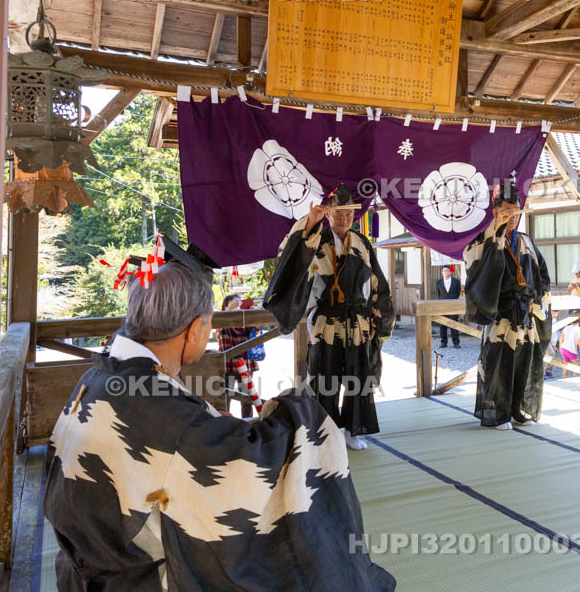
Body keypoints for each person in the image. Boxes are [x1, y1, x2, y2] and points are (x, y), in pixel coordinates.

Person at [43, 243, 394, 591]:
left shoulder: (98, 377)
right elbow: (247, 471)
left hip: (90, 568)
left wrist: (213, 424)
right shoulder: (164, 410)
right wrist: (294, 409)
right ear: (195, 330)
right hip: (139, 578)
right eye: (209, 322)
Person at [264, 185, 395, 451]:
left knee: (359, 377)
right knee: (324, 377)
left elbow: (376, 283)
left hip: (357, 321)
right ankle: (324, 433)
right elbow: (290, 255)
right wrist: (310, 223)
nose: (344, 218)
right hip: (326, 321)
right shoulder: (316, 240)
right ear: (328, 213)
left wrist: (377, 318)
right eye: (339, 212)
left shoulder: (362, 243)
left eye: (349, 213)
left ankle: (353, 431)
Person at [464, 180, 551, 430]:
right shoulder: (486, 239)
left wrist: (537, 298)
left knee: (525, 362)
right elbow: (473, 265)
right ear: (495, 212)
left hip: (525, 313)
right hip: (500, 314)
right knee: (498, 362)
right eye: (506, 211)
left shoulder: (527, 242)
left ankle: (520, 410)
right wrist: (496, 233)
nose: (511, 217)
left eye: (515, 212)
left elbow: (543, 276)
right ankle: (497, 414)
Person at [217, 294, 258, 417]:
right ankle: (225, 423)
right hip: (227, 366)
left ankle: (248, 422)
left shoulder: (246, 321)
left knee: (247, 399)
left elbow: (257, 330)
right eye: (232, 304)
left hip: (246, 364)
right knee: (225, 398)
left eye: (238, 303)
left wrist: (254, 314)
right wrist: (229, 309)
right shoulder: (221, 321)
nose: (236, 306)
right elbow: (218, 327)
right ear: (224, 308)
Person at [435, 264, 462, 348]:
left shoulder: (456, 281)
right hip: (442, 306)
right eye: (444, 271)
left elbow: (458, 293)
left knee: (454, 324)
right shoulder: (438, 282)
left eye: (447, 270)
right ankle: (443, 342)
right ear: (442, 272)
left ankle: (456, 342)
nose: (446, 272)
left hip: (453, 305)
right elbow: (439, 294)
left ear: (450, 272)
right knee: (442, 325)